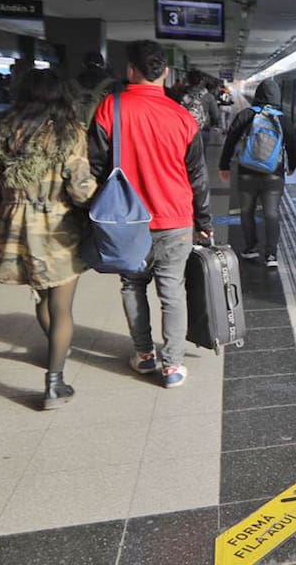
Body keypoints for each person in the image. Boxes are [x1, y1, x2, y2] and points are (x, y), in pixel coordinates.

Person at [88, 40, 211, 389]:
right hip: (175, 219)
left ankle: (144, 356)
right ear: (166, 73)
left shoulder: (108, 109)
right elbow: (198, 177)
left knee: (132, 284)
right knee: (172, 290)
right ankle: (172, 366)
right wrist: (204, 223)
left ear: (130, 71)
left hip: (125, 222)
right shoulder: (182, 117)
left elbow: (95, 167)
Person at [0, 69, 97, 410]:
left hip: (15, 225)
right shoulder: (68, 132)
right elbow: (81, 188)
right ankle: (54, 383)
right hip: (57, 227)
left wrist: (10, 210)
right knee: (62, 306)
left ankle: (57, 352)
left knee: (42, 297)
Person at [219, 79, 296, 269]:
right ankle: (271, 255)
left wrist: (224, 166)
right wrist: (292, 167)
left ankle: (250, 248)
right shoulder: (283, 119)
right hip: (274, 174)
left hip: (247, 172)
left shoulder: (245, 115)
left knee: (247, 211)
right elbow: (294, 146)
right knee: (272, 213)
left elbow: (231, 141)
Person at [180, 70, 221, 149]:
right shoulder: (208, 96)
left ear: (188, 80)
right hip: (202, 130)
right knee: (200, 155)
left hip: (183, 129)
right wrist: (214, 124)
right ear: (202, 81)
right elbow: (216, 115)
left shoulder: (180, 94)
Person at [73, 51, 116, 124]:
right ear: (103, 65)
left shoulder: (71, 84)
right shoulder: (112, 84)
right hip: (101, 130)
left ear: (83, 64)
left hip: (76, 131)